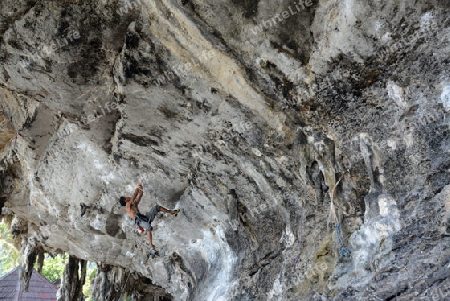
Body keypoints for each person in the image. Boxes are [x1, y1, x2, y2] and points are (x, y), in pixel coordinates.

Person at [119, 180, 179, 252]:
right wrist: (138, 185)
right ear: (125, 200)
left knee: (157, 207)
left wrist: (141, 187)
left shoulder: (133, 204)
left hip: (144, 218)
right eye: (126, 197)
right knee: (148, 227)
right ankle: (151, 247)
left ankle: (173, 212)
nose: (128, 196)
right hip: (139, 221)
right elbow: (134, 196)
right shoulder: (127, 206)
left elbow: (140, 195)